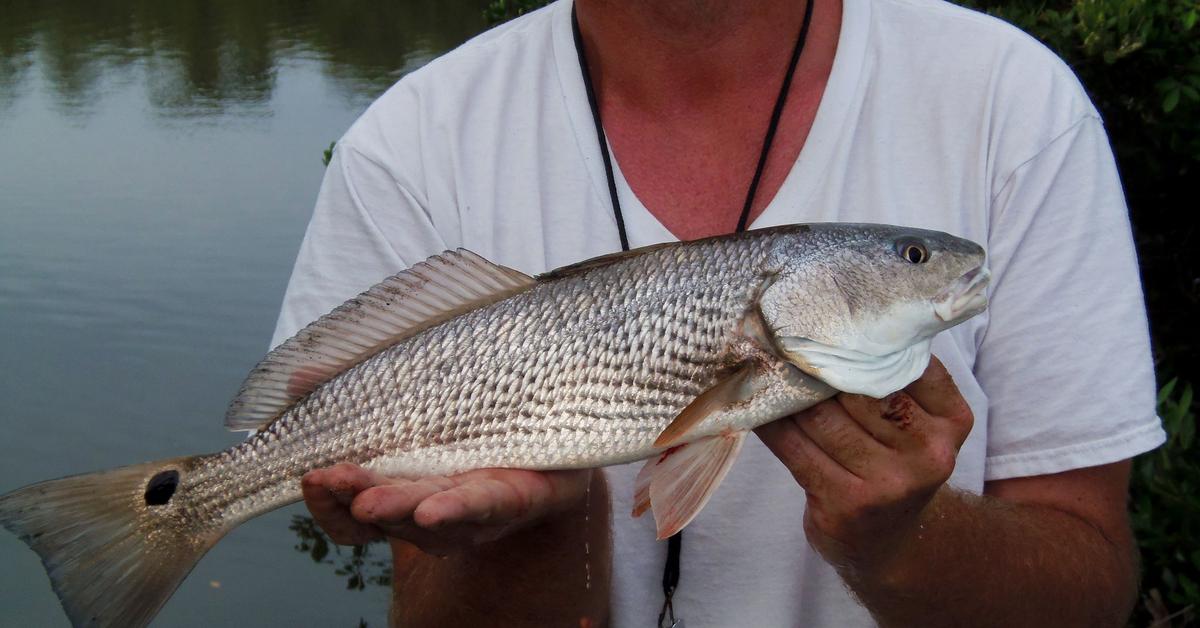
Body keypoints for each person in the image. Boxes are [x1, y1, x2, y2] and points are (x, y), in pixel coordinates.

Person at [273, 0, 1165, 625]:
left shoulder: (1016, 107)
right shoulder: (404, 152)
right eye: (912, 257)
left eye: (913, 257)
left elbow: (1087, 588)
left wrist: (902, 539)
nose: (932, 267)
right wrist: (534, 524)